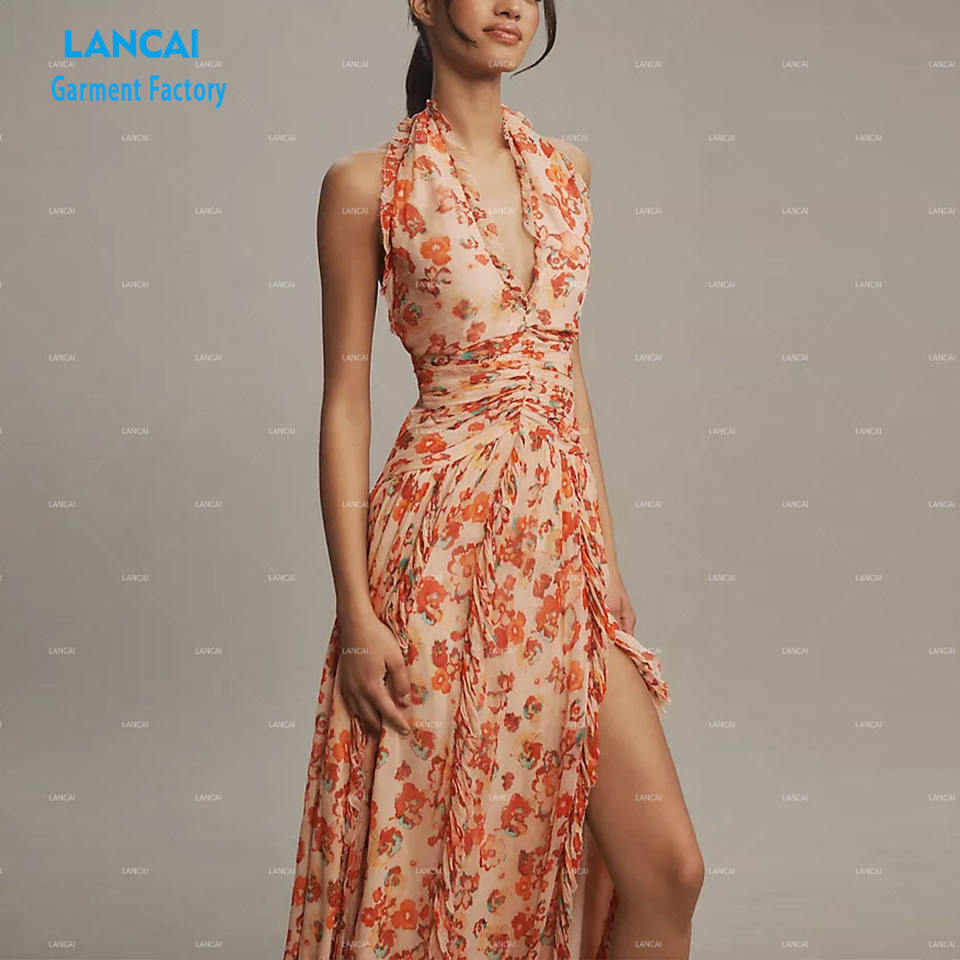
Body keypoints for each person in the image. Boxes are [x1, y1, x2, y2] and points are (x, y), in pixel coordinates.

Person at [283, 2, 703, 957]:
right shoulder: (367, 184)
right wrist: (357, 615)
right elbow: (345, 403)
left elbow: (563, 368)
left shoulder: (566, 171)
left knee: (666, 870)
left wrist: (604, 555)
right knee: (442, 865)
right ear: (423, 3)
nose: (514, 4)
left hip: (559, 549)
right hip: (437, 552)